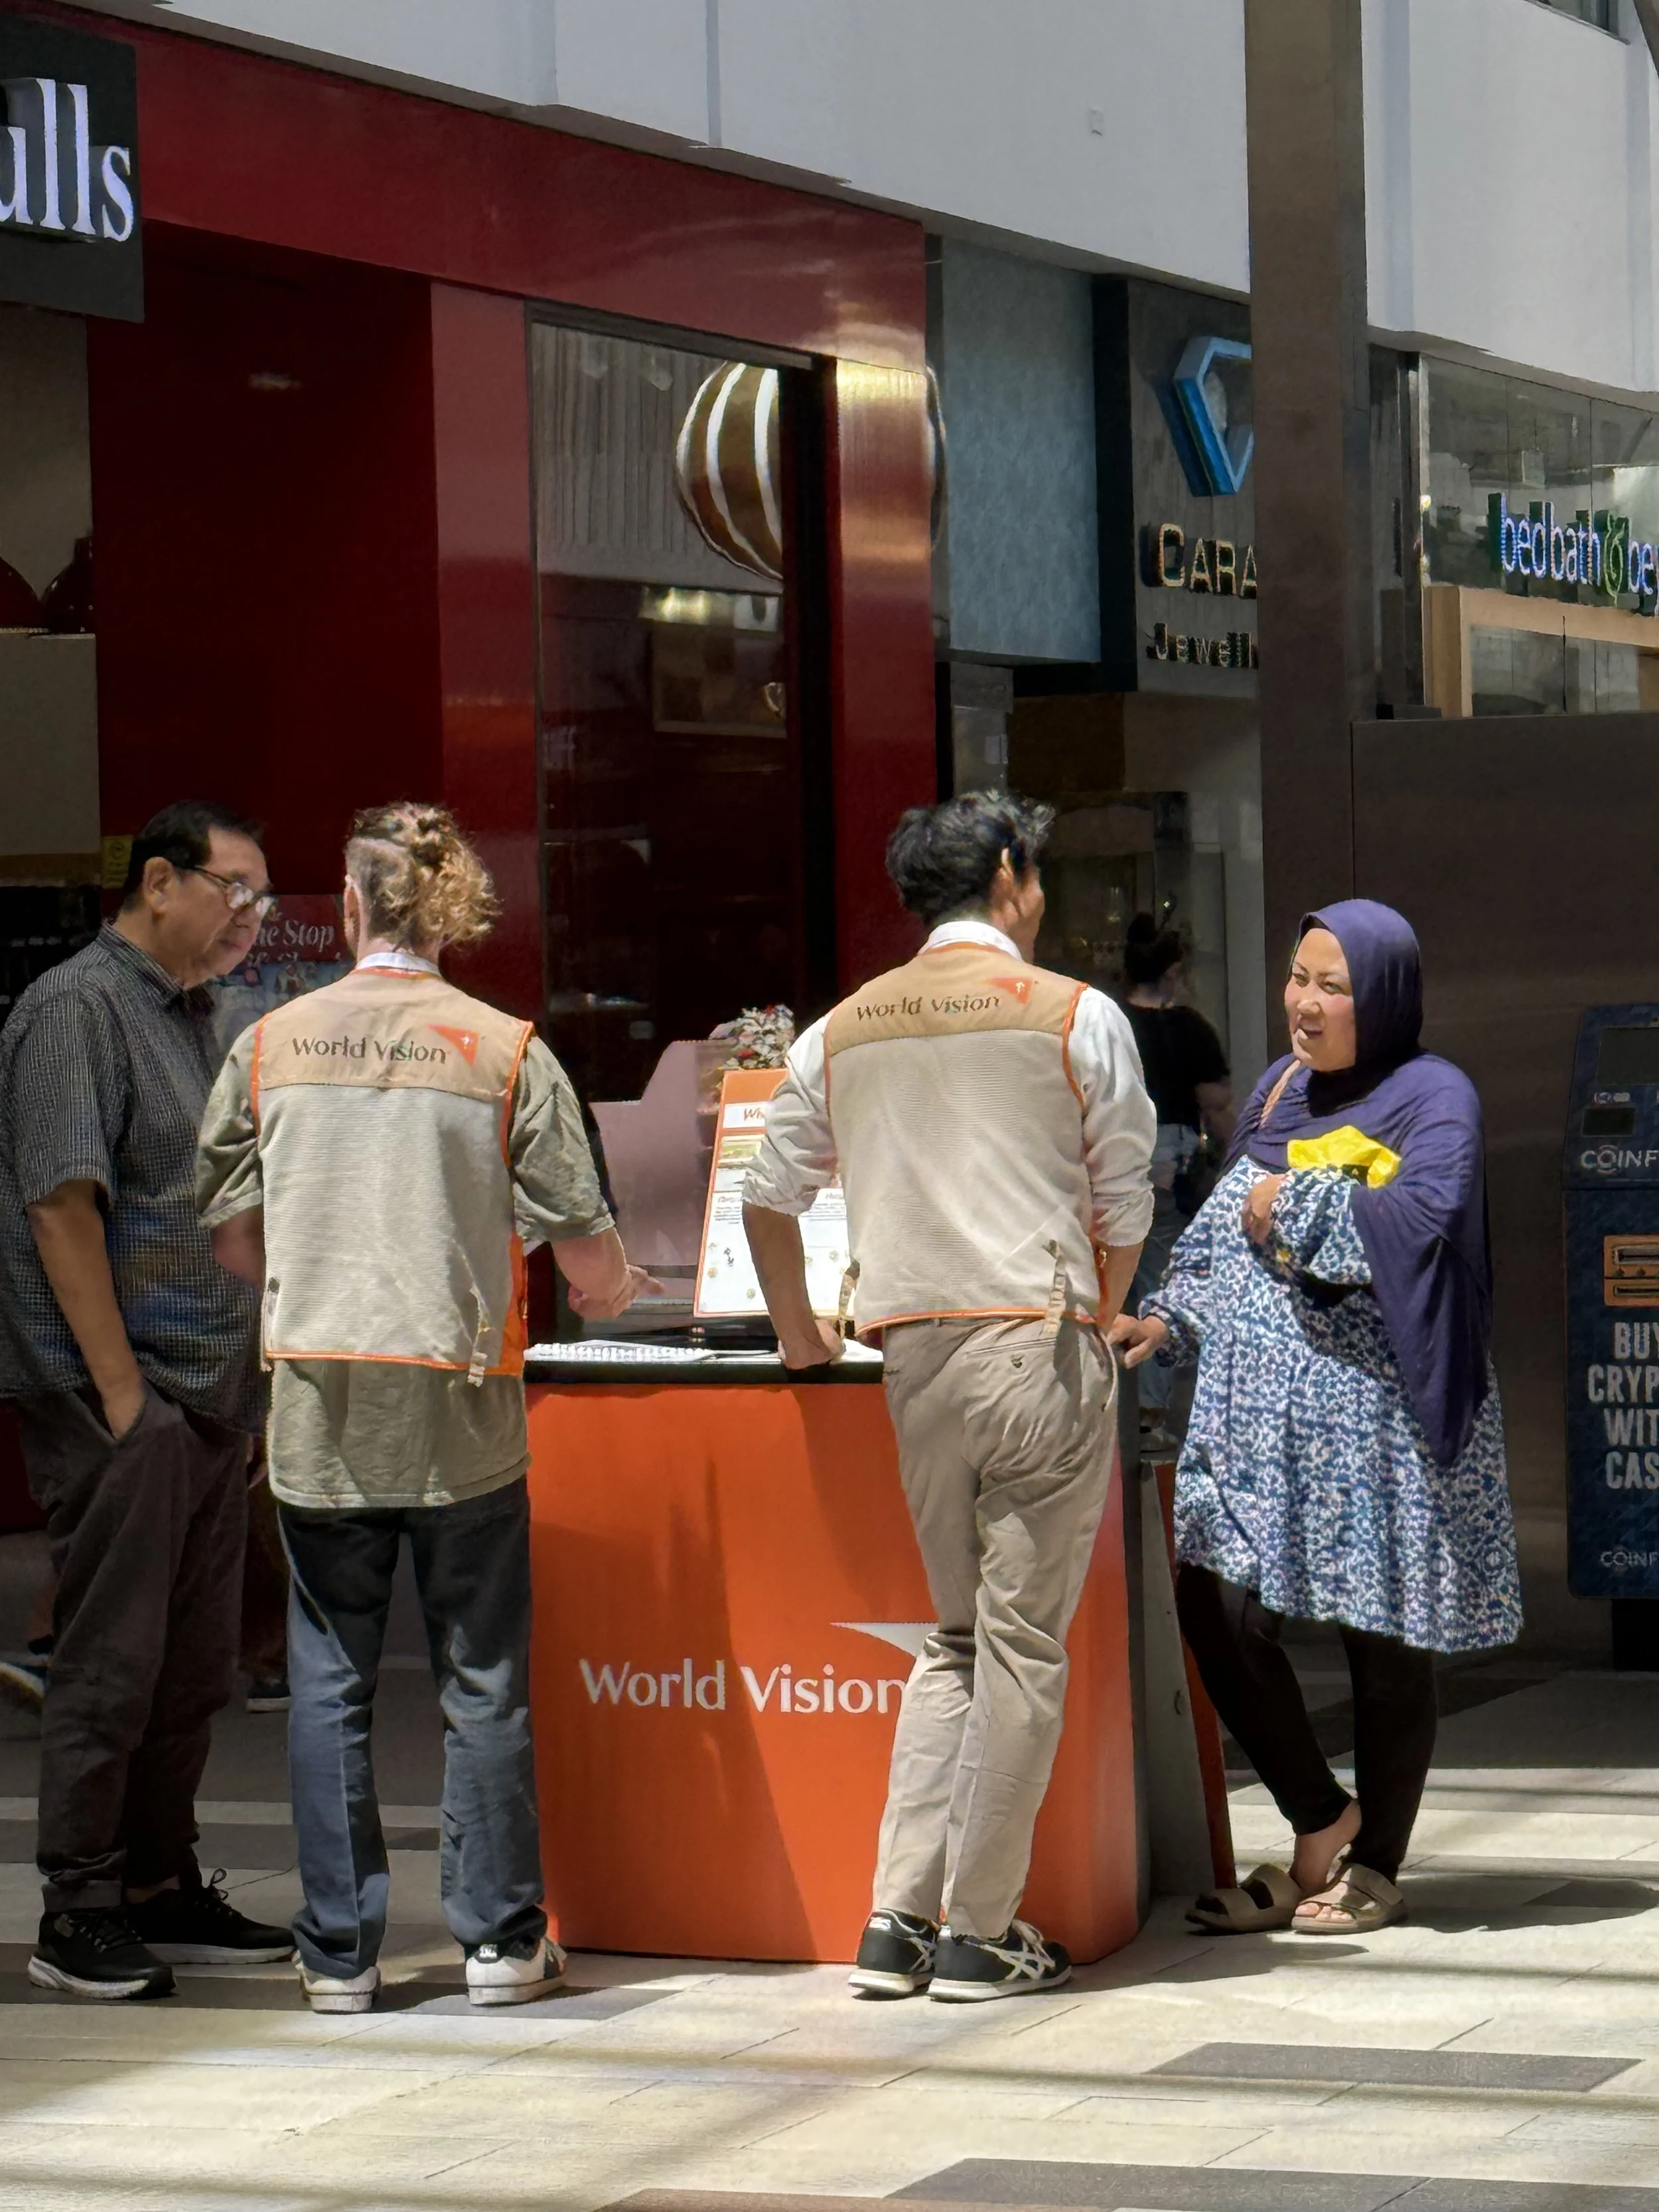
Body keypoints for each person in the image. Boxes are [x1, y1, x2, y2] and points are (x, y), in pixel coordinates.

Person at [196, 802, 656, 2014]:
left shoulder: (267, 1047)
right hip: (463, 1406)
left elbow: (234, 1236)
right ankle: (500, 1941)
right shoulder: (504, 1050)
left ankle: (339, 1955)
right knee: (481, 1676)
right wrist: (614, 1288)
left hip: (321, 1404)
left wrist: (320, 1268)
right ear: (450, 911)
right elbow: (586, 1247)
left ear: (350, 906)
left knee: (329, 1679)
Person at [743, 791, 1155, 2002]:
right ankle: (979, 1932)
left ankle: (895, 1924)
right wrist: (1099, 1312)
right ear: (1013, 876)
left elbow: (768, 1198)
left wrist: (800, 1334)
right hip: (1037, 1342)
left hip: (910, 1359)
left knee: (958, 1638)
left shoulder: (843, 1028)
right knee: (1021, 1647)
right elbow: (1125, 1199)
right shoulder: (1073, 1012)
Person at [1112, 901, 1522, 1936]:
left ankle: (1373, 1862)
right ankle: (1319, 1815)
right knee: (1215, 1607)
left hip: (1379, 1426)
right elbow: (1222, 1232)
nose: (1304, 1001)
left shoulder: (1435, 1097)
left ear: (1381, 996)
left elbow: (1428, 1222)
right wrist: (1168, 1314)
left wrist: (1292, 1206)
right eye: (1300, 976)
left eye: (1332, 985)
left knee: (1382, 1643)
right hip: (1258, 1426)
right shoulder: (1280, 1089)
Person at [0, 801, 296, 2001]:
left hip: (206, 1397)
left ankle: (159, 1882)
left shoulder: (196, 1015)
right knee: (112, 1663)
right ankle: (78, 1906)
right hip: (121, 1396)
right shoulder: (76, 1007)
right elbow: (59, 1204)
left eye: (263, 898)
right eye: (236, 889)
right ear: (160, 882)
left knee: (192, 1666)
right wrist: (124, 1397)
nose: (252, 918)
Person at [1120, 916, 1234, 1444]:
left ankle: (1114, 1410)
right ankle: (1147, 1411)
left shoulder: (1108, 1021)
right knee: (1160, 1285)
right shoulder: (1189, 1028)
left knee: (1115, 1282)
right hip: (1170, 1168)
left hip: (1112, 1163)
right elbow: (1216, 1101)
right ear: (1172, 972)